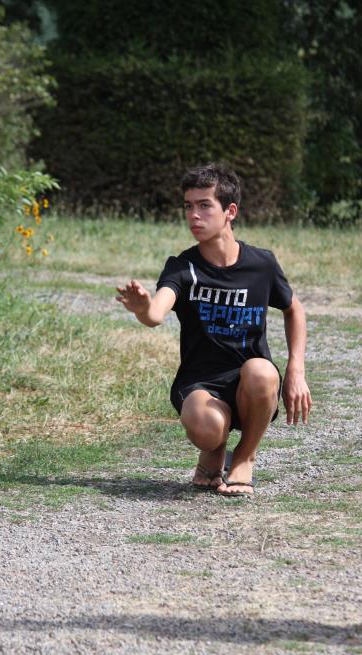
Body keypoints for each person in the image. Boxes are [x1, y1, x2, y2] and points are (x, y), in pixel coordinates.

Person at [116, 163, 312, 497]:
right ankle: (214, 450)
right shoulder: (183, 267)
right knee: (208, 430)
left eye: (204, 205)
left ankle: (245, 458)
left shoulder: (261, 264)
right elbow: (156, 313)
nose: (194, 215)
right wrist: (142, 309)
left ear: (230, 211)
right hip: (200, 384)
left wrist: (296, 368)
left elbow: (294, 309)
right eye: (188, 206)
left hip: (249, 384)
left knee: (263, 372)